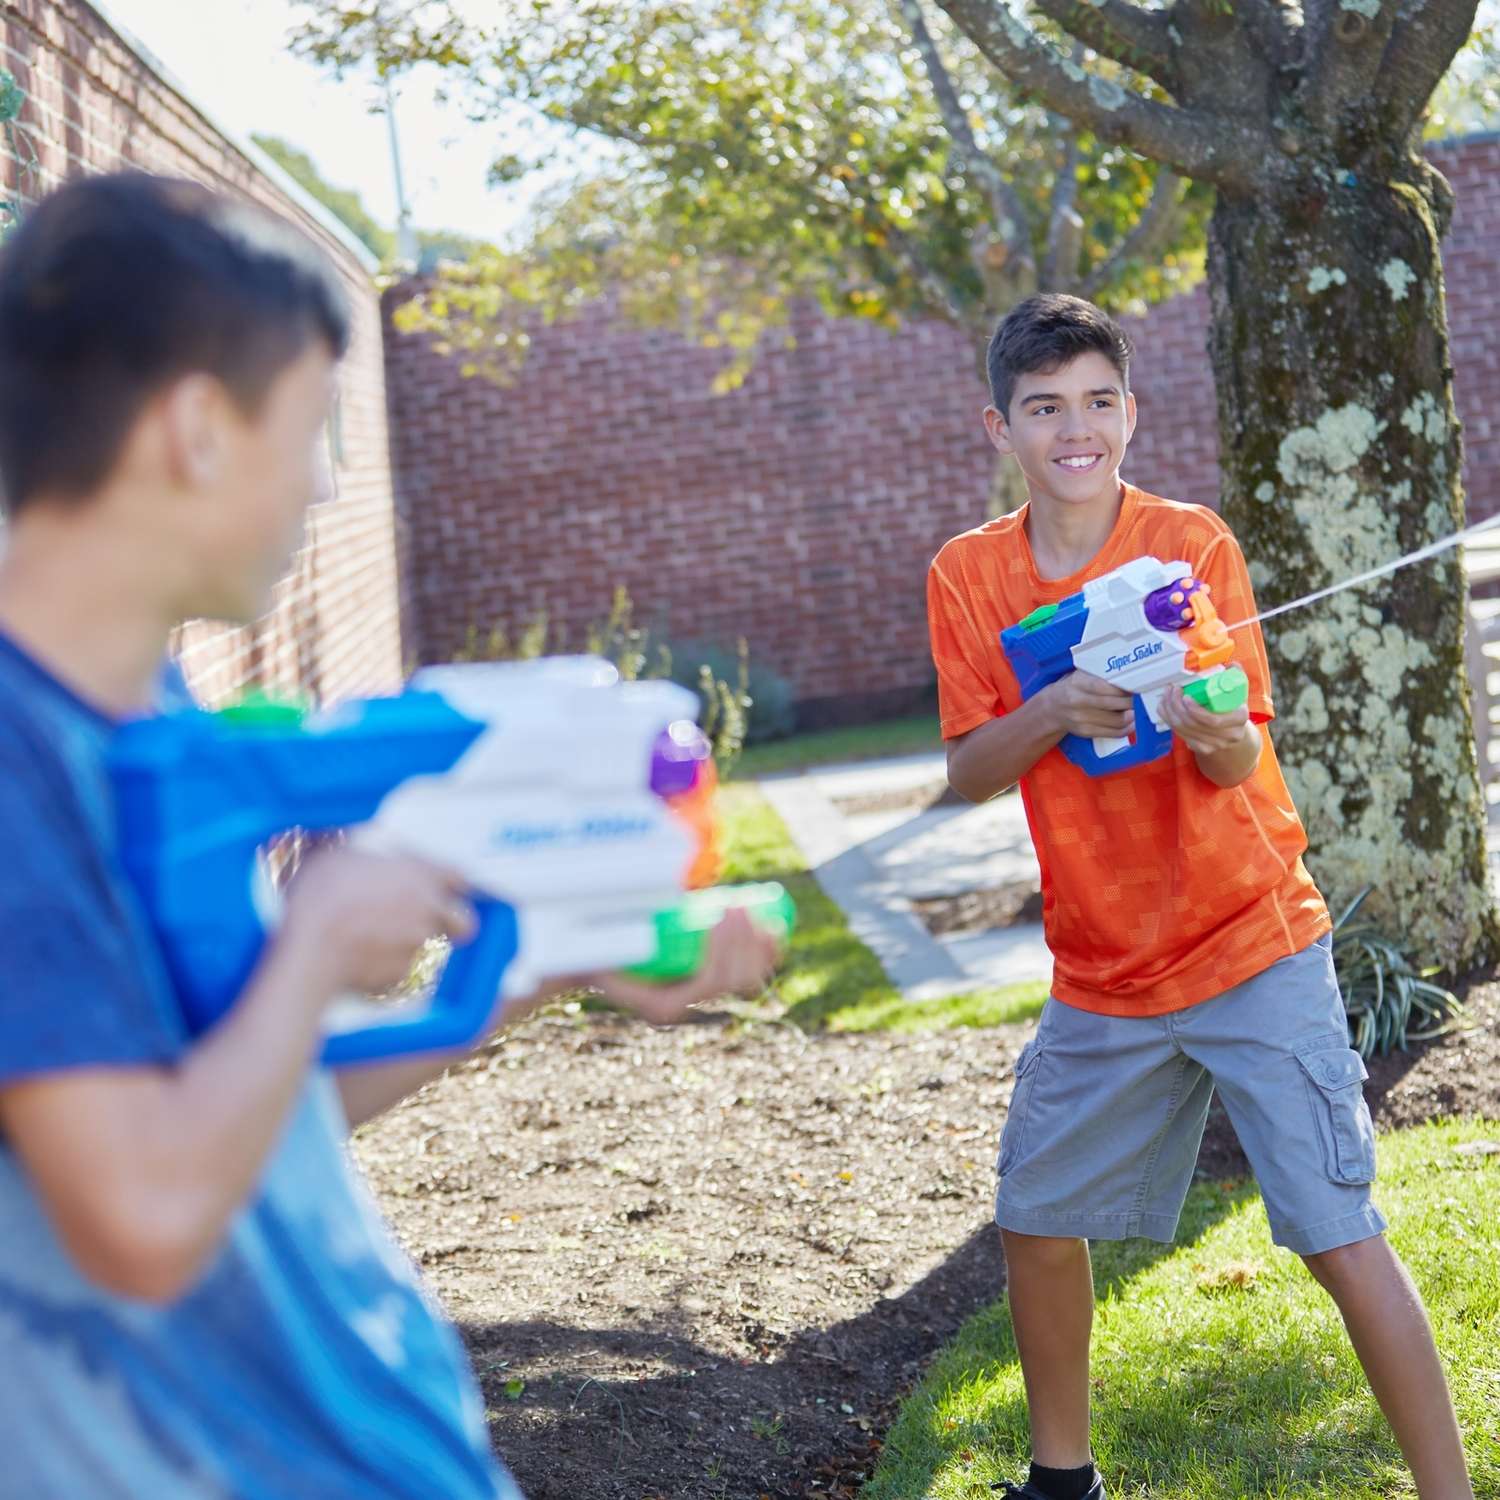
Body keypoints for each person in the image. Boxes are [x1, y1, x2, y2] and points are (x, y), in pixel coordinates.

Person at [0, 171, 780, 1499]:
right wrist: (312, 944)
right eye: (313, 426)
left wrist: (529, 975)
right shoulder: (21, 764)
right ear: (195, 428)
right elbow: (141, 1216)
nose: (320, 486)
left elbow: (254, 1112)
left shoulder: (136, 713)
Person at [926, 292, 1473, 1500]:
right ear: (999, 427)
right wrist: (1054, 711)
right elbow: (968, 770)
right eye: (1046, 408)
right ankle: (1061, 1480)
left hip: (1251, 941)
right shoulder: (969, 576)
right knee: (1035, 1214)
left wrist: (1206, 717)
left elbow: (1241, 761)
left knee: (1337, 1231)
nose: (1078, 430)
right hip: (1104, 969)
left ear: (1132, 410)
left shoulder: (1189, 549)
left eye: (1100, 403)